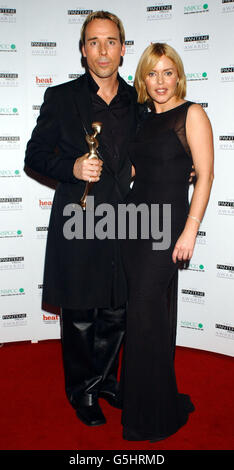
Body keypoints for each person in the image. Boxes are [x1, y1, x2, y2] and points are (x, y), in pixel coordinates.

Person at [24, 11, 139, 427]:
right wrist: (72, 168)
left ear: (123, 49)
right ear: (83, 50)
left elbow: (149, 156)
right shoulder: (61, 98)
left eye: (111, 41)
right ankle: (82, 391)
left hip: (126, 221)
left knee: (117, 308)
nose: (103, 50)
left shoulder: (138, 103)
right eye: (94, 42)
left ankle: (107, 379)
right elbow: (34, 156)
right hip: (79, 218)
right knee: (80, 311)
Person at [120, 43, 214, 442]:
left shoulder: (192, 114)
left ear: (179, 75)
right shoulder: (141, 120)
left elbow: (206, 175)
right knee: (145, 318)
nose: (160, 81)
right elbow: (135, 171)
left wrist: (190, 229)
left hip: (168, 227)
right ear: (143, 78)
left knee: (146, 315)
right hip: (133, 225)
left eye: (167, 72)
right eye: (152, 73)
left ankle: (151, 415)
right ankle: (144, 399)